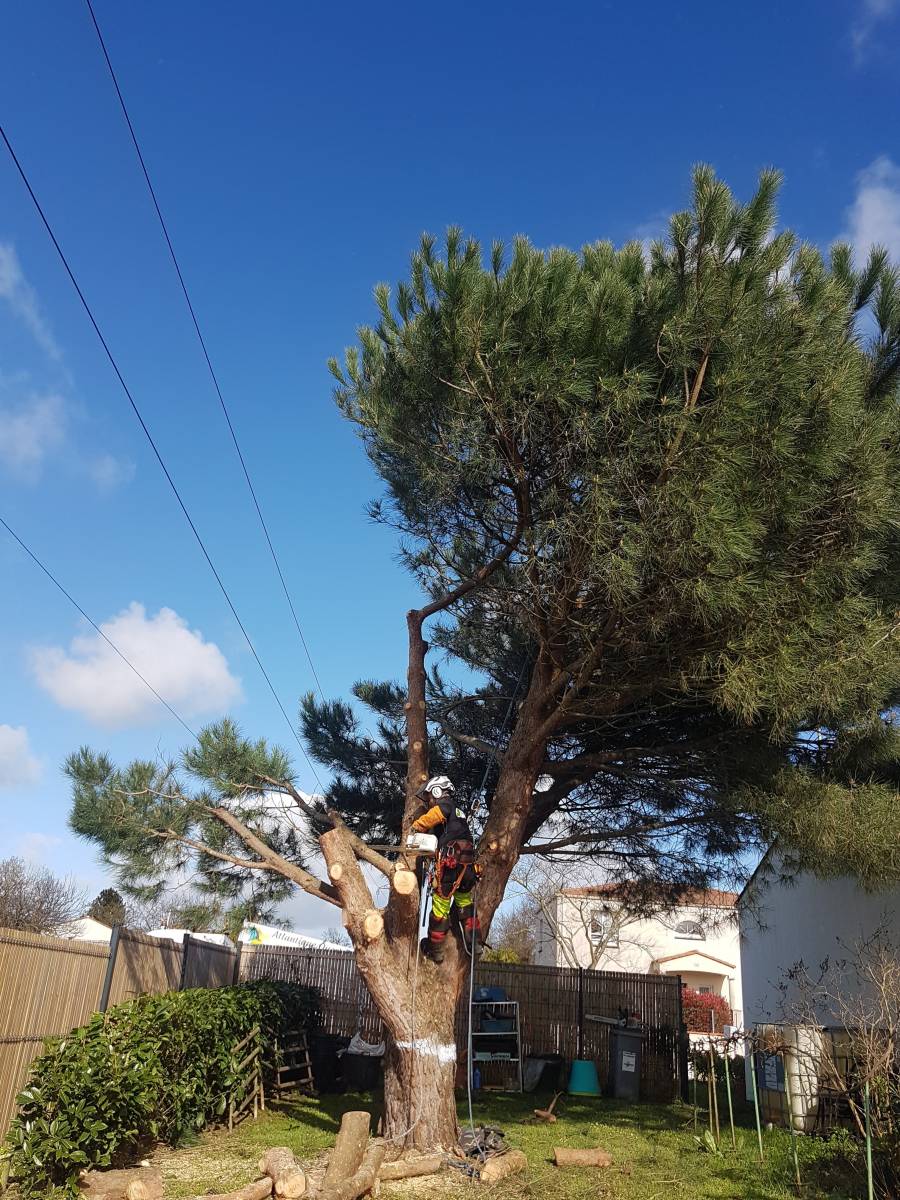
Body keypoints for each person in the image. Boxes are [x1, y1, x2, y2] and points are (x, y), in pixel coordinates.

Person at [409, 775, 480, 962]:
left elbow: (433, 816)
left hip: (450, 866)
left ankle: (436, 950)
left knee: (440, 904)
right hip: (468, 867)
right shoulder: (458, 814)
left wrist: (415, 827)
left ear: (437, 791)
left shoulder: (446, 805)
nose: (429, 802)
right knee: (464, 901)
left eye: (429, 797)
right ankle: (475, 941)